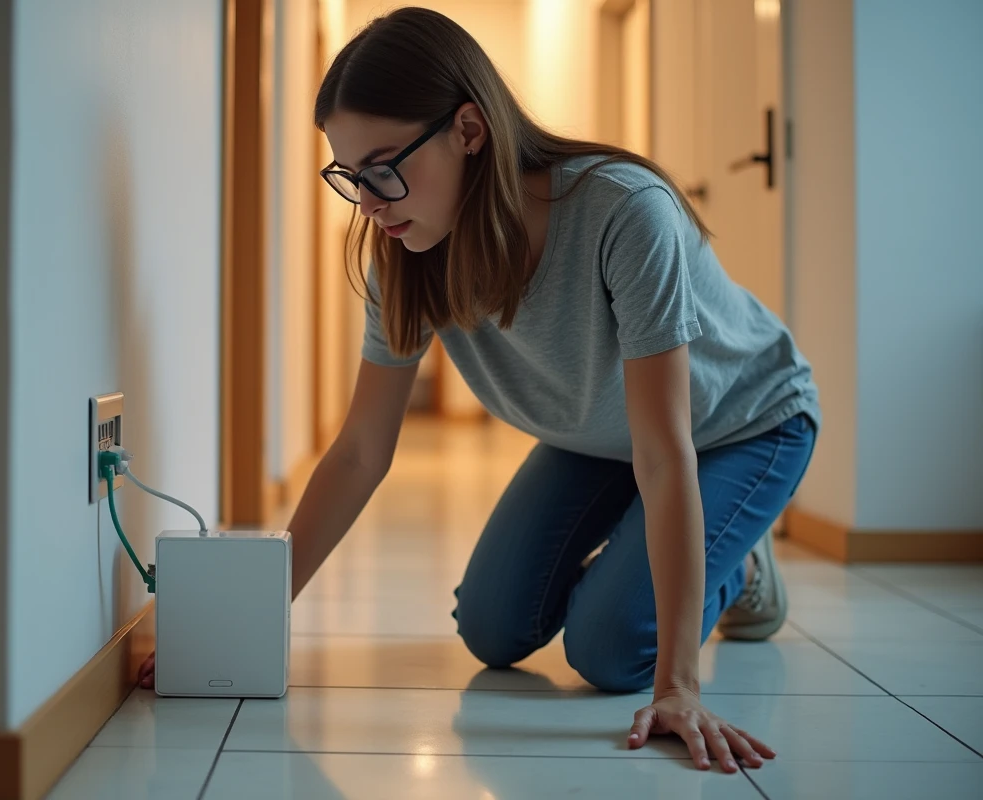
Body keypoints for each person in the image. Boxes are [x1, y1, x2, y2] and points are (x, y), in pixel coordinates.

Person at [139, 6, 819, 774]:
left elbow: (664, 455)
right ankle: (682, 550)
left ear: (469, 129)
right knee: (493, 630)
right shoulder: (400, 254)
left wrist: (680, 686)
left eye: (386, 166)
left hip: (736, 425)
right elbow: (362, 451)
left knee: (609, 650)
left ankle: (744, 568)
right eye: (351, 176)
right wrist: (246, 625)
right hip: (596, 435)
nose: (370, 201)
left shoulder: (624, 214)